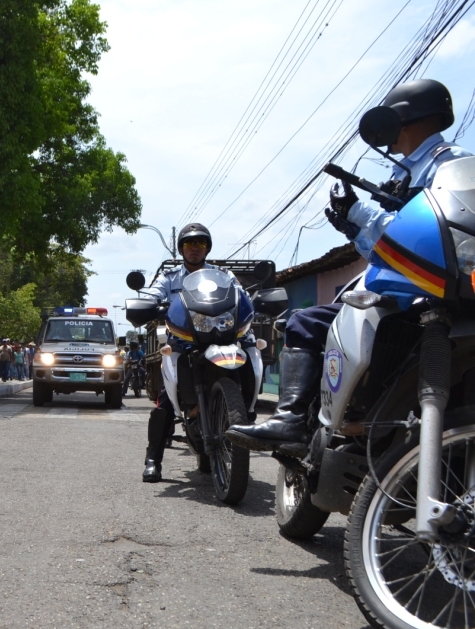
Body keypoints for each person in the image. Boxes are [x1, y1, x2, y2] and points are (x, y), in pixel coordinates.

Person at [227, 79, 472, 457]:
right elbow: (389, 251)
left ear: (401, 121)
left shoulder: (444, 164)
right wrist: (355, 229)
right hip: (422, 291)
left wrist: (359, 212)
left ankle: (291, 418)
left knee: (304, 323)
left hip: (419, 298)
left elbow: (416, 238)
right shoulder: (427, 169)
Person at [141, 223, 250, 483]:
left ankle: (243, 420)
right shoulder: (169, 279)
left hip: (222, 339)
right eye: (189, 244)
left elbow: (241, 295)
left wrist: (250, 300)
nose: (195, 249)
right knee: (169, 397)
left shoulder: (223, 276)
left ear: (207, 248)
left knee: (247, 371)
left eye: (200, 244)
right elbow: (154, 294)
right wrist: (149, 303)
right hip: (184, 343)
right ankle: (153, 459)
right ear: (181, 249)